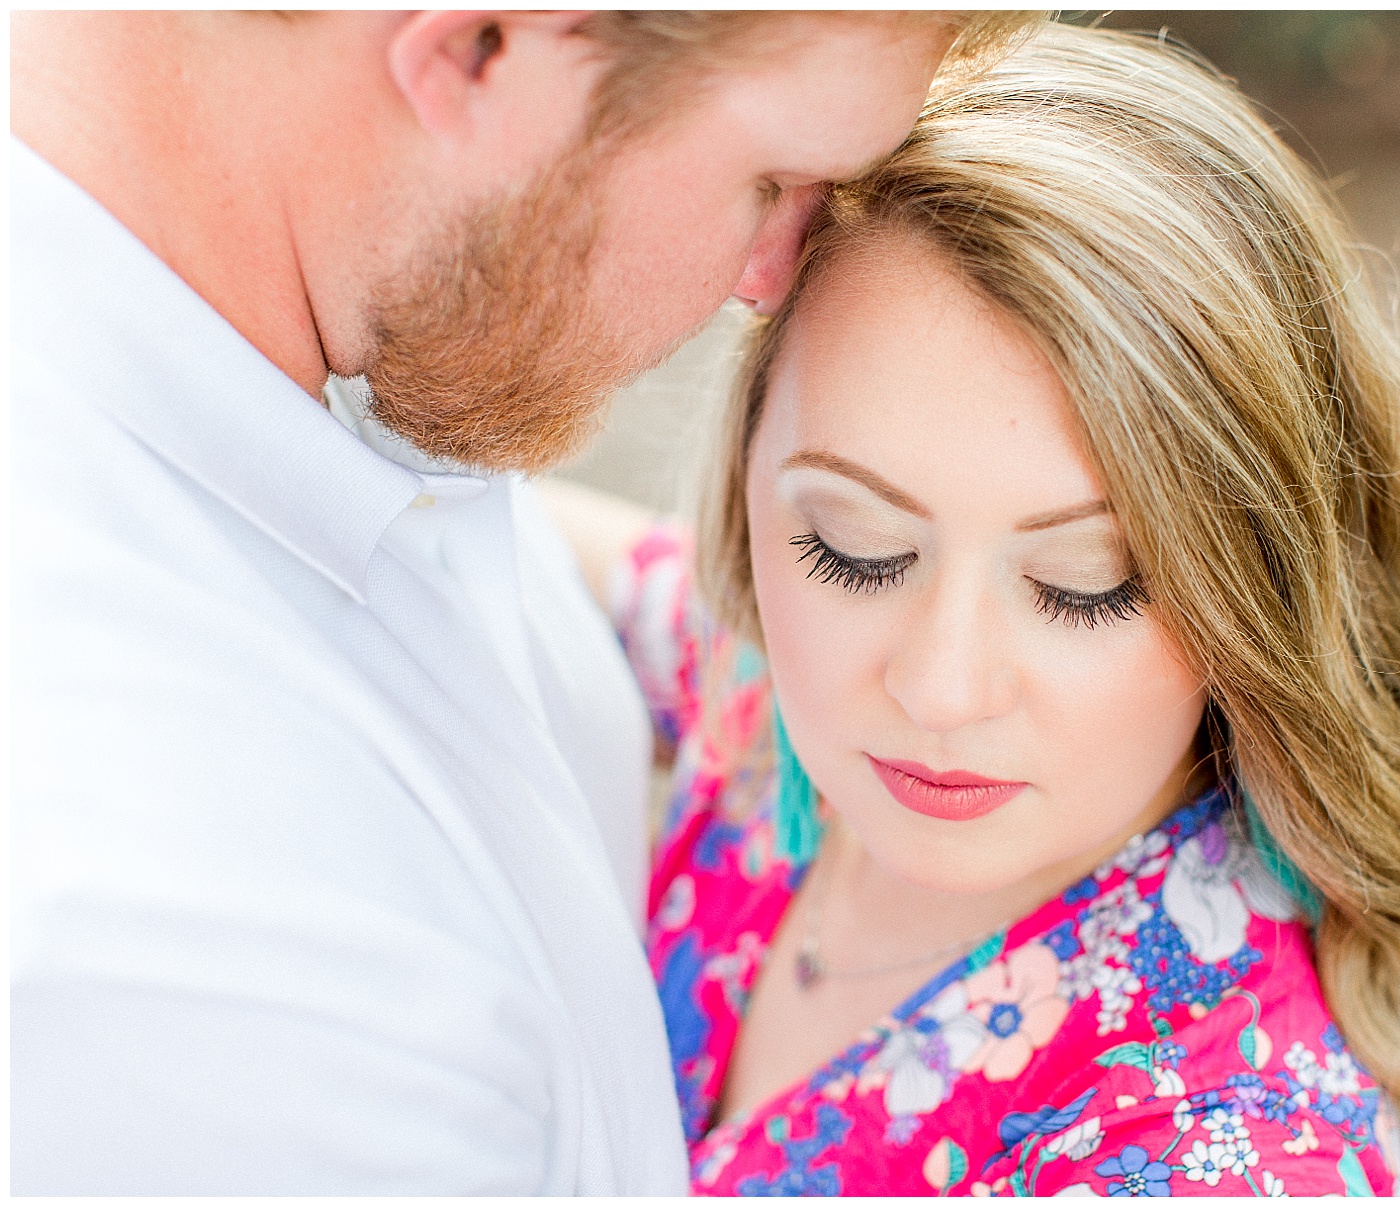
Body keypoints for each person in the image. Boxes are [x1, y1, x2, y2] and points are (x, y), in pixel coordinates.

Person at [10, 10, 1037, 1195]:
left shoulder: (365, 304)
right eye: (773, 182)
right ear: (478, 50)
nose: (771, 283)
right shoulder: (198, 975)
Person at [549, 22, 1400, 1197]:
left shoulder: (1227, 1158)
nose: (940, 688)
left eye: (1084, 584)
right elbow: (527, 548)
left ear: (1253, 587)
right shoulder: (763, 693)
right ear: (750, 482)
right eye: (857, 550)